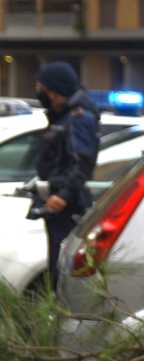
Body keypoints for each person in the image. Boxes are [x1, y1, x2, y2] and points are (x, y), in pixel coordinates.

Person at [30, 61, 100, 286]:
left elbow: (82, 163)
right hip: (57, 203)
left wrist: (63, 195)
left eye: (43, 88)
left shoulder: (78, 118)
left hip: (67, 206)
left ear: (54, 90)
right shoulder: (63, 116)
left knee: (63, 272)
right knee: (56, 269)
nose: (40, 92)